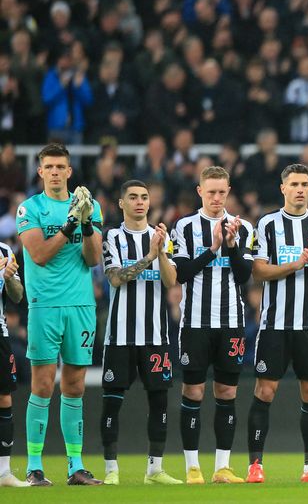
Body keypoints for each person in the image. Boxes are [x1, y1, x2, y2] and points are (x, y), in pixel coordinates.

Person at [16, 143, 103, 486]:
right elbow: (38, 255)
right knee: (41, 384)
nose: (54, 172)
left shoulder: (89, 206)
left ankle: (75, 466)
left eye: (60, 167)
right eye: (48, 166)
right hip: (45, 305)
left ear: (69, 171)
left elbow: (93, 259)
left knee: (75, 385)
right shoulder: (30, 208)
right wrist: (69, 224)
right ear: (40, 172)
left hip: (81, 305)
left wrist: (86, 224)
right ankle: (34, 466)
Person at [246, 164, 308, 483]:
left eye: (304, 184)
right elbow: (258, 272)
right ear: (282, 188)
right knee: (265, 390)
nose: (299, 189)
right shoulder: (268, 224)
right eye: (294, 184)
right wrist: (295, 263)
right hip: (274, 324)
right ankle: (255, 465)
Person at [171, 166, 254, 484]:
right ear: (200, 192)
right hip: (195, 322)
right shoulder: (185, 227)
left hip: (231, 322)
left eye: (222, 192)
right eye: (211, 192)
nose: (217, 198)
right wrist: (213, 249)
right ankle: (192, 467)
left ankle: (222, 467)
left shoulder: (243, 227)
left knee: (227, 391)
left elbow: (245, 276)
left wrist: (231, 246)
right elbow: (181, 273)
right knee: (193, 391)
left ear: (228, 191)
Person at [99, 180, 182, 485]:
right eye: (132, 197)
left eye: (144, 197)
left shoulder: (161, 237)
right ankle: (111, 470)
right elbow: (116, 279)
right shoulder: (112, 236)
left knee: (159, 400)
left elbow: (172, 281)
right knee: (112, 401)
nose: (139, 202)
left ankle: (154, 469)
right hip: (120, 336)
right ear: (121, 203)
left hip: (156, 337)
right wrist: (148, 256)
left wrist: (160, 252)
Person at [0, 242, 26, 487]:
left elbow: (17, 296)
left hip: (0, 333)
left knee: (4, 398)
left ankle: (3, 472)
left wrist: (8, 278)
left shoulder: (5, 251)